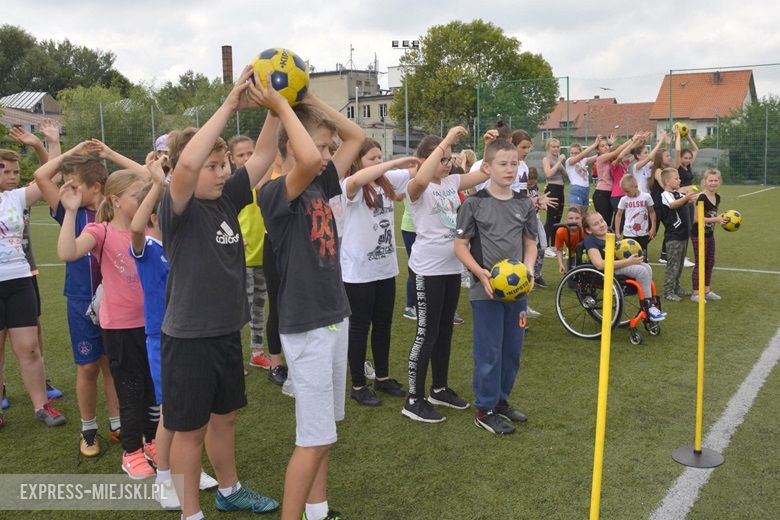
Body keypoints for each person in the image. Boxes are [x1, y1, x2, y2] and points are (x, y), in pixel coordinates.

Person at [159, 66, 283, 518]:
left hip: (226, 331)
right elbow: (188, 164)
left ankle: (229, 490)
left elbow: (266, 154)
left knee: (225, 417)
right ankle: (191, 512)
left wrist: (275, 105)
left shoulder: (229, 197)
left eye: (223, 163)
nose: (219, 171)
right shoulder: (179, 207)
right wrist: (230, 103)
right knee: (188, 431)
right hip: (189, 338)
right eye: (212, 165)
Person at [259, 89, 363, 520]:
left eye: (325, 148)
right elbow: (304, 160)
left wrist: (310, 98)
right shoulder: (273, 192)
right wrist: (282, 107)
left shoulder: (321, 180)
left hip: (333, 314)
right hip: (307, 325)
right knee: (314, 436)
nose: (326, 154)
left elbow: (354, 138)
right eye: (320, 146)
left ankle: (317, 509)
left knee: (326, 430)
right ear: (290, 145)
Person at [57, 165, 161, 480]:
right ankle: (131, 452)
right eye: (136, 196)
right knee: (130, 391)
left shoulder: (150, 230)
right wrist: (72, 211)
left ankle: (152, 441)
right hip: (119, 328)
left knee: (154, 390)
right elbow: (67, 252)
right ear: (115, 200)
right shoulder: (100, 231)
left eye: (145, 195)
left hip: (153, 325)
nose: (143, 200)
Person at [35, 141, 129, 456]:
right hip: (80, 300)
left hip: (116, 300)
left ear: (97, 186)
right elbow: (41, 175)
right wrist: (72, 151)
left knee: (113, 365)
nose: (68, 189)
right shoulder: (69, 211)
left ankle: (118, 424)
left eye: (75, 184)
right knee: (88, 366)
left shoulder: (115, 212)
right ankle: (89, 429)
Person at [402, 126, 494, 424]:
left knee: (444, 330)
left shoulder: (451, 181)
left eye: (451, 158)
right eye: (444, 159)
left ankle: (438, 389)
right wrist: (445, 142)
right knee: (426, 332)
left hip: (451, 266)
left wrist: (488, 148)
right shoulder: (416, 186)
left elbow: (483, 174)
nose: (450, 163)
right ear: (429, 159)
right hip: (427, 270)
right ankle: (413, 399)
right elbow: (423, 177)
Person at [454, 138, 538, 435]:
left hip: (517, 292)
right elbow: (461, 246)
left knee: (512, 349)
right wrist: (481, 274)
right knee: (489, 350)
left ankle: (501, 401)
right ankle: (484, 408)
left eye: (514, 163)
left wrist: (527, 271)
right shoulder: (474, 203)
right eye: (503, 164)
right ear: (487, 167)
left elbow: (531, 243)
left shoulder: (523, 203)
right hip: (485, 291)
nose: (510, 169)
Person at [340, 139, 419, 407]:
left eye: (380, 158)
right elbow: (357, 181)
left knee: (384, 324)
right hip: (358, 272)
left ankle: (382, 378)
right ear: (357, 162)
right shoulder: (347, 184)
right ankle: (358, 384)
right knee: (359, 328)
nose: (378, 163)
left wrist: (444, 146)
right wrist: (393, 162)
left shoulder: (386, 181)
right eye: (372, 159)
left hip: (384, 268)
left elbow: (420, 169)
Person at [0, 149, 66, 429]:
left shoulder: (17, 197)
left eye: (16, 172)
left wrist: (48, 143)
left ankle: (41, 406)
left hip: (20, 279)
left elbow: (51, 175)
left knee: (29, 349)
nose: (13, 176)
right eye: (7, 171)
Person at [229, 135, 271, 371]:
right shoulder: (232, 187)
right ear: (232, 159)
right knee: (239, 311)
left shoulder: (261, 181)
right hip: (240, 259)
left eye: (250, 153)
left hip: (262, 255)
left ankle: (257, 352)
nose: (246, 158)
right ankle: (233, 358)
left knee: (258, 306)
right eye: (240, 155)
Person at [582, 212, 666, 322]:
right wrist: (628, 261)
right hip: (606, 272)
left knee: (646, 267)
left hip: (618, 266)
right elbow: (599, 264)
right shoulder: (591, 241)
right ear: (589, 230)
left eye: (602, 221)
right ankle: (648, 307)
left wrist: (631, 258)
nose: (601, 225)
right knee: (641, 271)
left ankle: (650, 304)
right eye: (596, 224)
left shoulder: (610, 233)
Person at [659, 168, 699, 301]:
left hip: (684, 235)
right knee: (673, 265)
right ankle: (668, 291)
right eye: (676, 178)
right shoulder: (665, 195)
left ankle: (676, 287)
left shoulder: (678, 194)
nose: (679, 180)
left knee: (680, 264)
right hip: (674, 236)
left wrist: (695, 196)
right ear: (667, 182)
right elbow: (673, 205)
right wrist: (687, 197)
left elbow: (688, 200)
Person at [690, 169, 726, 303]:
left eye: (716, 180)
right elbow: (696, 218)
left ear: (720, 182)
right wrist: (716, 219)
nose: (713, 183)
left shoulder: (717, 197)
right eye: (710, 180)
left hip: (709, 234)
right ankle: (695, 293)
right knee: (701, 262)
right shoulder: (701, 197)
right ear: (704, 182)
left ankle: (706, 290)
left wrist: (722, 219)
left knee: (710, 261)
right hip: (698, 234)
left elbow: (713, 215)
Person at [614, 173, 656, 260]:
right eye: (624, 192)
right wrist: (617, 232)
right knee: (628, 257)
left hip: (643, 233)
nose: (626, 194)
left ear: (636, 186)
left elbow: (652, 212)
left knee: (643, 257)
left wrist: (653, 228)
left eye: (627, 191)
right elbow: (618, 215)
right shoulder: (624, 199)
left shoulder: (646, 197)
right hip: (628, 233)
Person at [541, 138, 566, 254]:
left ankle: (554, 246)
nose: (556, 149)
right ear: (548, 148)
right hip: (553, 189)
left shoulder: (558, 159)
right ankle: (545, 247)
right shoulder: (547, 159)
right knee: (551, 218)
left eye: (558, 146)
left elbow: (566, 174)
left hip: (561, 189)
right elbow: (548, 174)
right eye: (554, 147)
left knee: (558, 219)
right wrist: (559, 162)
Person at [565, 137, 601, 211]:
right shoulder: (569, 161)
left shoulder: (583, 161)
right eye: (572, 153)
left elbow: (598, 156)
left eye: (576, 153)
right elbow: (582, 155)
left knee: (584, 216)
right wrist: (594, 145)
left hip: (586, 190)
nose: (574, 155)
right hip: (576, 189)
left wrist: (607, 147)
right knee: (575, 214)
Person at [554, 207, 585, 274]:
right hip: (573, 253)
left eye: (577, 218)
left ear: (581, 219)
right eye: (571, 218)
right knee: (571, 272)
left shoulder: (586, 229)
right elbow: (559, 249)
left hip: (587, 253)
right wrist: (560, 264)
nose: (574, 221)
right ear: (566, 220)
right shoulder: (561, 231)